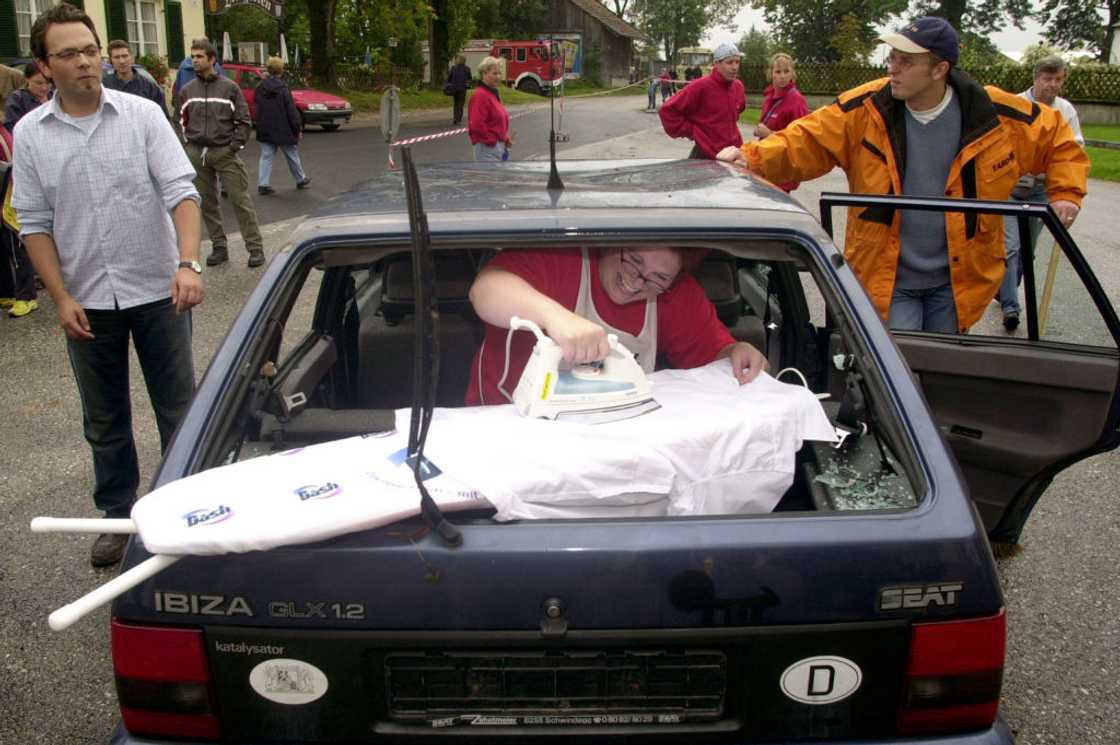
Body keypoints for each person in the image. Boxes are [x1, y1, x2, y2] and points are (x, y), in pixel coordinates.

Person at [717, 17, 1087, 334]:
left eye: (906, 61)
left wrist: (1067, 192)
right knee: (902, 370)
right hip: (889, 278)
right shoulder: (866, 109)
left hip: (958, 281)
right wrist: (751, 158)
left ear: (940, 69)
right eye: (892, 58)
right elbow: (807, 139)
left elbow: (1057, 138)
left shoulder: (993, 114)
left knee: (946, 371)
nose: (892, 68)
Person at [12, 4, 203, 566]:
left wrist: (188, 264)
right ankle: (118, 516)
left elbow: (182, 193)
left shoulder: (143, 115)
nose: (85, 62)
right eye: (68, 54)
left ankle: (181, 511)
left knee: (178, 408)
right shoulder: (30, 134)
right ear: (45, 65)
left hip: (158, 291)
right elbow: (34, 224)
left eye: (90, 50)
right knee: (105, 420)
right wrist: (61, 297)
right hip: (88, 302)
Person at [465, 246, 768, 406]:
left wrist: (735, 353)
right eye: (633, 260)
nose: (636, 282)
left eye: (657, 278)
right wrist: (556, 318)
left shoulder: (676, 295)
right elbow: (486, 289)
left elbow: (713, 357)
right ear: (611, 242)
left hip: (609, 443)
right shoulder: (558, 257)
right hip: (504, 421)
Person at [997, 55, 1086, 332]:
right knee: (1009, 248)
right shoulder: (1016, 105)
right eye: (1047, 79)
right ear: (1036, 79)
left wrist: (1065, 192)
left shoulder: (1065, 110)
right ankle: (1011, 307)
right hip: (1012, 188)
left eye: (1058, 80)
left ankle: (1005, 287)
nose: (1052, 85)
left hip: (1041, 190)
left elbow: (1074, 150)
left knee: (1028, 252)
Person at [174, 37, 265, 268]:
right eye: (192, 56)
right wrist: (187, 145)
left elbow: (244, 121)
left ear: (212, 59)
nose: (194, 60)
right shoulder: (187, 90)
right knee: (207, 203)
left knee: (240, 200)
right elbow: (179, 120)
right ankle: (219, 247)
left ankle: (255, 248)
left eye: (199, 56)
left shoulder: (229, 88)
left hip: (224, 152)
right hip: (197, 153)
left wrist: (233, 147)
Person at [659, 43, 746, 160]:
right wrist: (692, 131)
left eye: (737, 62)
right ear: (716, 64)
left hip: (733, 153)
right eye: (729, 62)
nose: (735, 67)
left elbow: (737, 111)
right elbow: (667, 110)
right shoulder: (700, 86)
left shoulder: (738, 86)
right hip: (706, 154)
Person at [255, 56, 310, 195]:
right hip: (283, 127)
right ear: (281, 70)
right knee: (291, 154)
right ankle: (300, 178)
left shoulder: (260, 87)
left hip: (265, 126)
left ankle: (263, 184)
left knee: (266, 156)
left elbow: (257, 106)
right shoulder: (283, 88)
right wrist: (297, 128)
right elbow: (291, 110)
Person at [754, 53, 809, 192]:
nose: (782, 76)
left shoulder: (797, 101)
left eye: (786, 71)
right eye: (778, 72)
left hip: (782, 169)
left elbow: (800, 139)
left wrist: (769, 134)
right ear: (771, 73)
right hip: (767, 163)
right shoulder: (769, 97)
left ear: (792, 73)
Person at [0, 124, 36, 317]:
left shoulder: (4, 135)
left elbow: (9, 167)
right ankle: (6, 292)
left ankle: (26, 296)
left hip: (9, 199)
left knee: (16, 247)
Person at [102, 39, 166, 113]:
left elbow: (163, 115)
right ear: (111, 61)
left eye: (125, 56)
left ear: (132, 58)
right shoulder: (105, 86)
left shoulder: (149, 86)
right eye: (116, 57)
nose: (122, 61)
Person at [468, 56, 513, 162]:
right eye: (494, 73)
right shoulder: (480, 95)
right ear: (484, 74)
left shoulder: (492, 93)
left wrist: (504, 138)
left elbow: (495, 122)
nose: (498, 77)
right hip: (486, 148)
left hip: (497, 147)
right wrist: (492, 141)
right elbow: (476, 125)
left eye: (499, 73)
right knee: (491, 178)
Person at [4, 63, 51, 131]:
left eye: (48, 83)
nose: (44, 88)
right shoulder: (17, 99)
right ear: (27, 79)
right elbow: (13, 129)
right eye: (38, 83)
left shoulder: (56, 96)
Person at [446, 54, 471, 126]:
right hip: (463, 88)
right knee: (460, 104)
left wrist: (448, 84)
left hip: (454, 88)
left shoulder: (453, 68)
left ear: (458, 60)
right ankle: (459, 119)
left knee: (455, 103)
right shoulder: (467, 69)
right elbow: (469, 78)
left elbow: (449, 78)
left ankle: (455, 118)